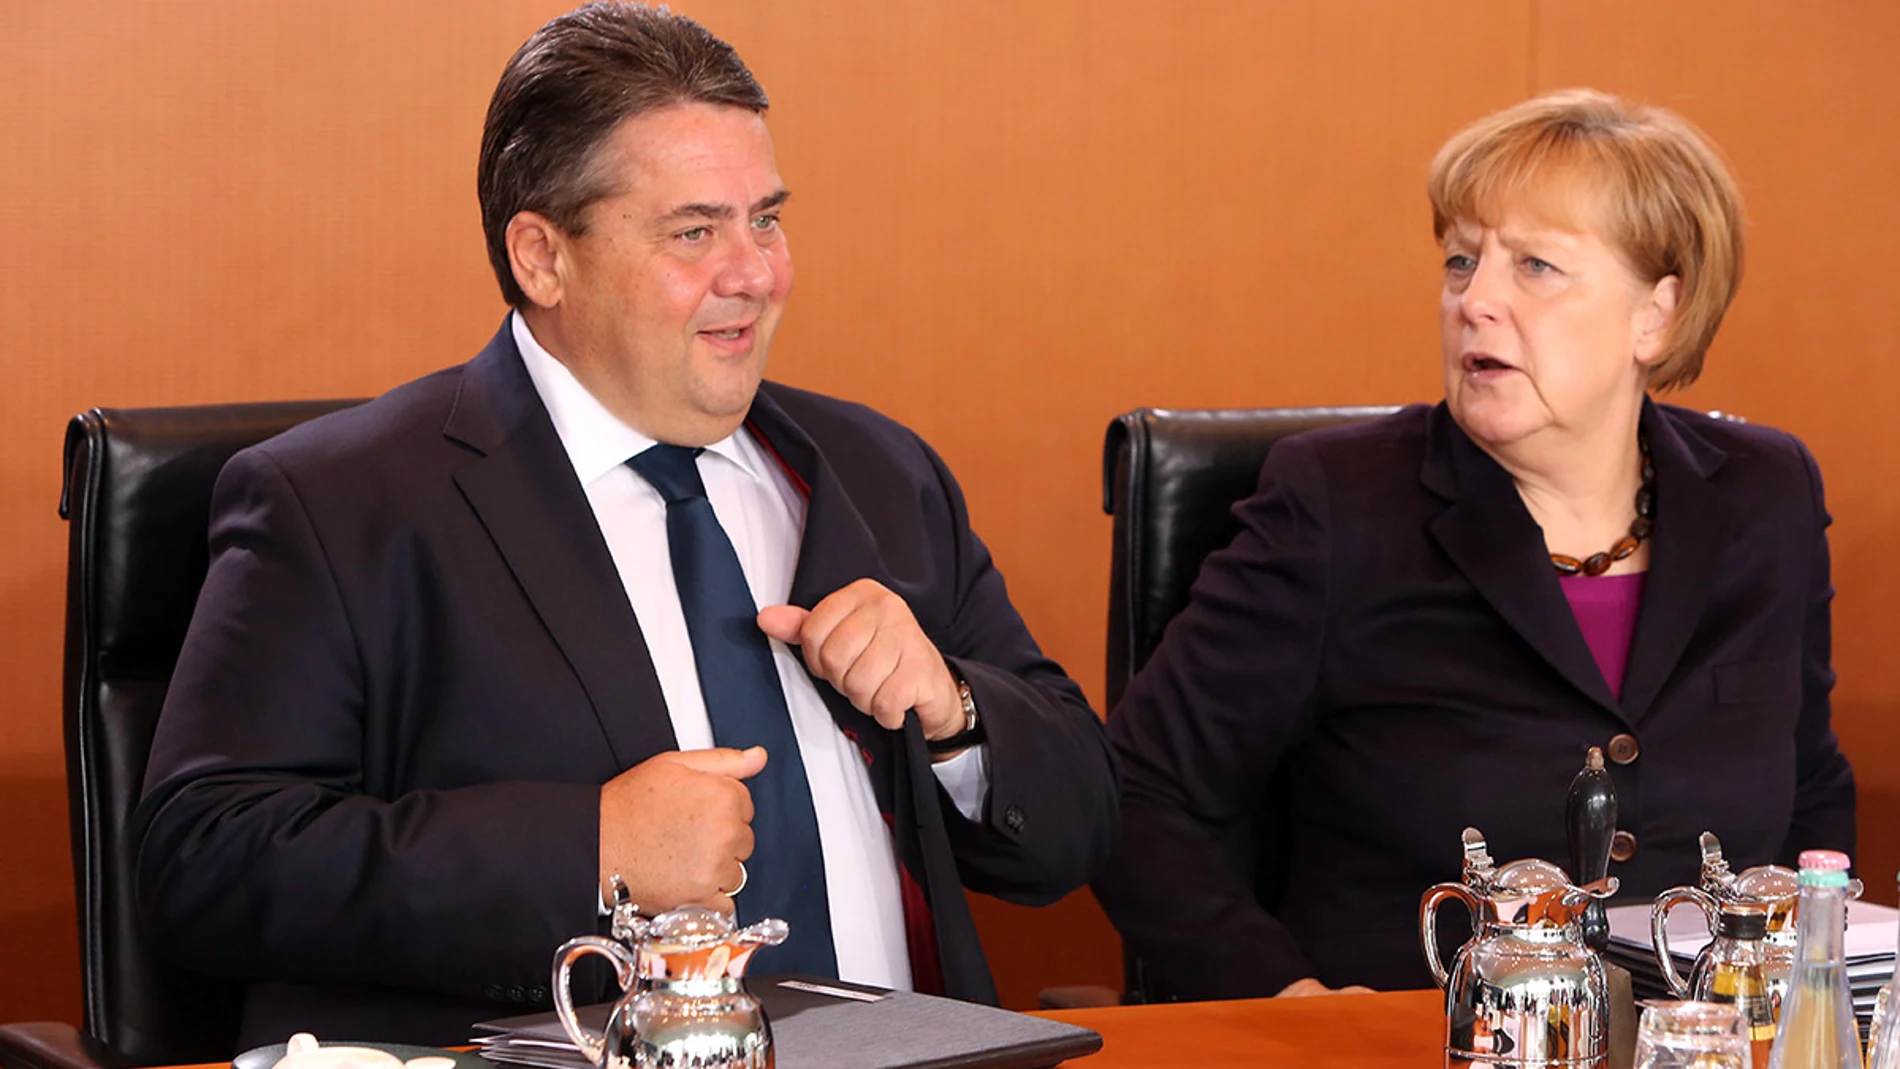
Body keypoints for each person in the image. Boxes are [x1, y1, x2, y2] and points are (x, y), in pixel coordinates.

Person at [132, 2, 1116, 1046]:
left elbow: (1078, 826)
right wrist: (585, 848)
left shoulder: (879, 469)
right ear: (542, 258)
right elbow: (206, 862)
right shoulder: (343, 502)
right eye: (695, 230)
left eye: (766, 219)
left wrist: (956, 711)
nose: (756, 271)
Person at [1091, 88, 1856, 1002]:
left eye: (1535, 265)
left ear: (1657, 314)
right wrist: (1289, 1003)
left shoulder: (1767, 495)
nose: (1475, 300)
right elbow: (1132, 795)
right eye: (1462, 260)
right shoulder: (1339, 506)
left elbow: (1810, 786)